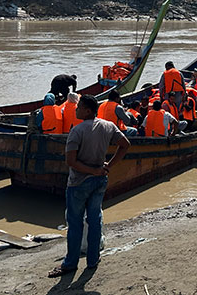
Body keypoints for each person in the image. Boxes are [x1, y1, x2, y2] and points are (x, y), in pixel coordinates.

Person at [48, 94, 131, 278]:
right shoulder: (107, 126)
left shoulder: (77, 131)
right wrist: (109, 165)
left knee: (75, 223)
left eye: (78, 108)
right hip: (99, 180)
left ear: (87, 110)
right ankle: (93, 259)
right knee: (95, 220)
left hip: (79, 183)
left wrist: (91, 171)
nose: (76, 110)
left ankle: (71, 263)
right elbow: (125, 144)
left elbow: (71, 161)